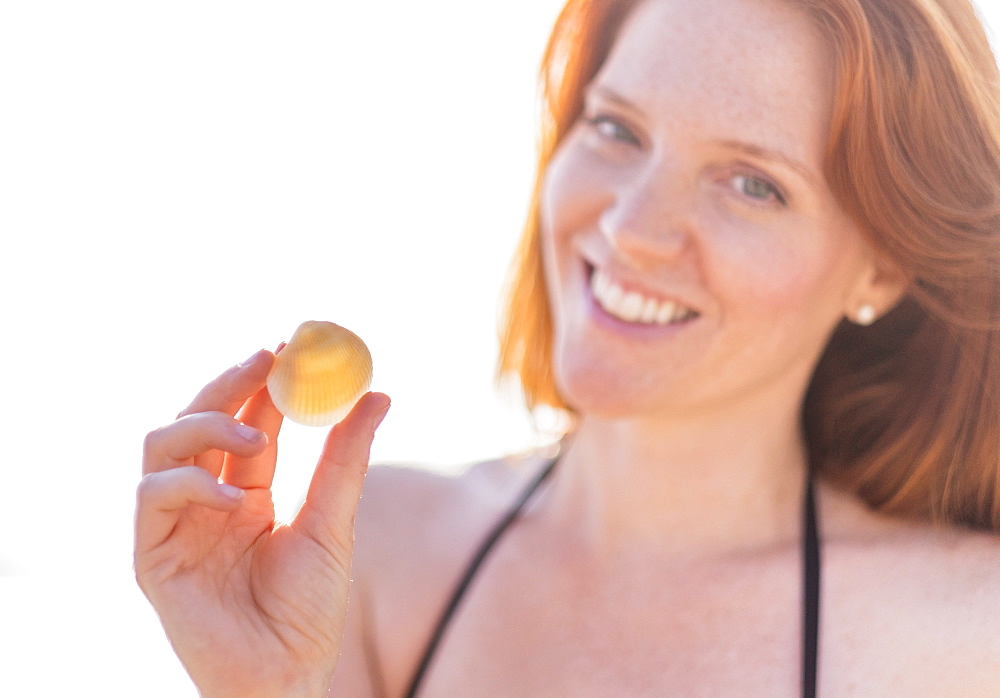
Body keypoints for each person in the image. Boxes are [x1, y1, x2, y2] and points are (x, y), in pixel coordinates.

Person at [135, 0, 1000, 694]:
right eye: (618, 130)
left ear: (881, 269)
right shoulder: (367, 559)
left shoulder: (968, 638)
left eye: (753, 185)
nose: (630, 229)